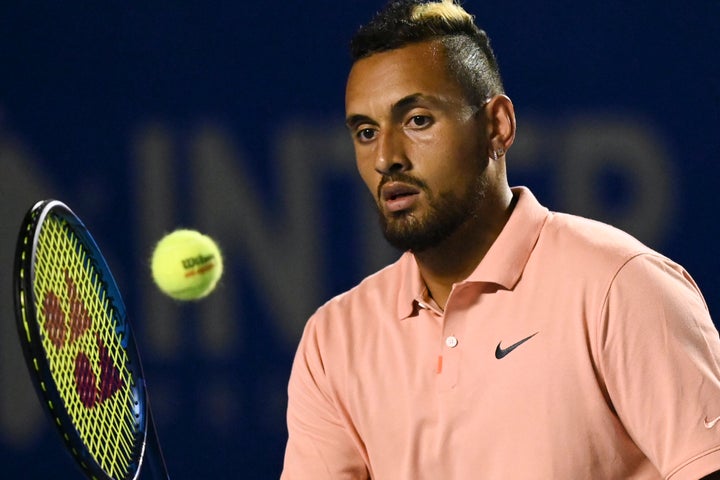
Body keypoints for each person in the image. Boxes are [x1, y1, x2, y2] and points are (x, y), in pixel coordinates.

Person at [281, 0, 720, 478]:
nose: (387, 157)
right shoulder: (333, 341)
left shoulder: (619, 287)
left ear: (497, 126)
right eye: (366, 132)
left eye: (418, 120)